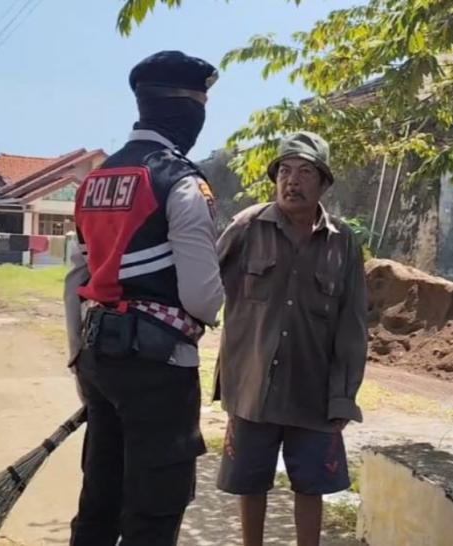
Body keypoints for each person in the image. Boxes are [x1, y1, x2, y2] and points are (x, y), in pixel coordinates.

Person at [63, 50, 224, 546]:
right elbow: (202, 299)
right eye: (201, 106)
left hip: (98, 358)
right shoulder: (182, 181)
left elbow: (77, 279)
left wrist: (77, 358)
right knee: (153, 509)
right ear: (187, 111)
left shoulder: (94, 180)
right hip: (159, 368)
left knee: (100, 499)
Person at [213, 131, 368, 546]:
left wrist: (344, 394)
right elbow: (204, 289)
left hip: (313, 390)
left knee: (312, 486)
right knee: (250, 483)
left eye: (304, 172)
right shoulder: (246, 228)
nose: (291, 181)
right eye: (284, 171)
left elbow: (352, 325)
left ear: (323, 183)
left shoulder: (343, 243)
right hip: (253, 386)